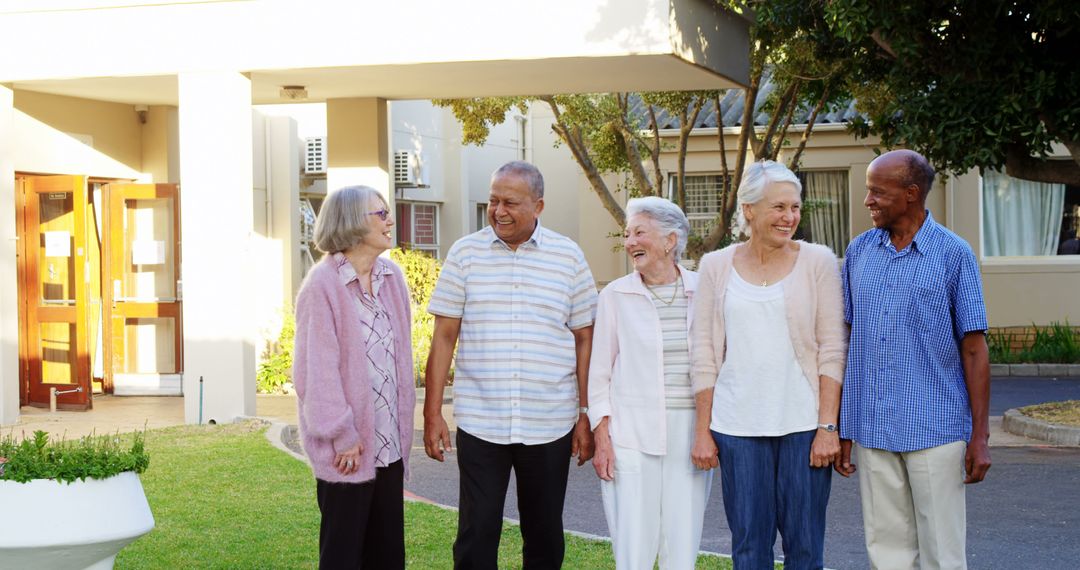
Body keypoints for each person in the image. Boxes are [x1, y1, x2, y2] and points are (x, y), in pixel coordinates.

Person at [423, 160, 598, 569]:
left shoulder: (568, 257)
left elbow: (585, 337)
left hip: (549, 421)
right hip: (482, 421)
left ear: (538, 206)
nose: (499, 211)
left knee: (544, 534)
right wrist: (432, 413)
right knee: (476, 533)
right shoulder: (465, 254)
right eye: (493, 200)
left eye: (511, 203)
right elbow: (444, 336)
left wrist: (585, 414)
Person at [836, 149, 991, 569]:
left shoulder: (954, 254)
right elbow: (852, 343)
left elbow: (974, 348)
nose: (867, 200)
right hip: (873, 428)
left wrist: (979, 436)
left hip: (935, 429)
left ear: (910, 194)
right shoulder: (859, 253)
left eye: (876, 192)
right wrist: (844, 427)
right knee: (886, 551)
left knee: (942, 551)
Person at [689, 160, 847, 569]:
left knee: (806, 548)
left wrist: (828, 427)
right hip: (737, 428)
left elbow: (832, 347)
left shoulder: (818, 261)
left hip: (802, 427)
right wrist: (703, 432)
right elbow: (704, 353)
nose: (789, 217)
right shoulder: (715, 267)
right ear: (748, 210)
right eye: (778, 207)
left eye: (795, 207)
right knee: (748, 549)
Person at [292, 185, 416, 569]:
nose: (389, 219)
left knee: (387, 555)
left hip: (388, 445)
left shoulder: (390, 277)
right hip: (347, 450)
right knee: (344, 555)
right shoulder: (322, 285)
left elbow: (400, 358)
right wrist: (342, 435)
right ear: (350, 222)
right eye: (380, 213)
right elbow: (315, 371)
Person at [588, 196, 712, 569]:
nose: (629, 243)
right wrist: (602, 435)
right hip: (631, 433)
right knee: (633, 545)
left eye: (639, 233)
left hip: (690, 430)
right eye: (627, 234)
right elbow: (600, 374)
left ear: (670, 240)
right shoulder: (615, 295)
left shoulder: (704, 290)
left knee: (682, 541)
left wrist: (708, 431)